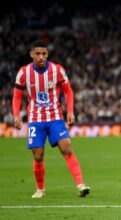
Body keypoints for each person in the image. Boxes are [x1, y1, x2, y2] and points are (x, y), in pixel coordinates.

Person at [12, 40, 90, 198]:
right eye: (38, 53)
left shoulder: (57, 70)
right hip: (35, 118)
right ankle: (40, 189)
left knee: (67, 148)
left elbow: (68, 91)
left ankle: (81, 185)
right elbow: (17, 96)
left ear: (47, 54)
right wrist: (16, 114)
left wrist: (70, 111)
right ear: (31, 54)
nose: (41, 57)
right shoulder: (23, 72)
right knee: (38, 155)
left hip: (55, 117)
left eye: (44, 53)